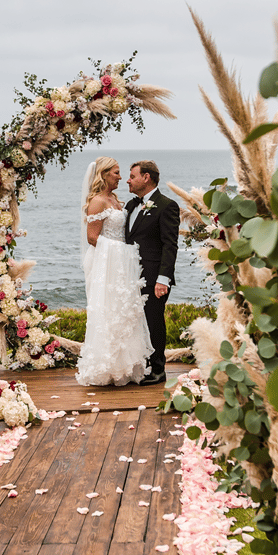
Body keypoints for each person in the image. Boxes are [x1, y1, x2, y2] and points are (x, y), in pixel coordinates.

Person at [76, 157, 153, 386]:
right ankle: (105, 367)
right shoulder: (98, 201)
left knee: (124, 311)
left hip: (121, 264)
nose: (121, 177)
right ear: (104, 174)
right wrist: (121, 250)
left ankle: (124, 367)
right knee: (107, 310)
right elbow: (92, 238)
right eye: (117, 173)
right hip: (107, 265)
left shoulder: (115, 200)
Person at [125, 160, 180, 386]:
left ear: (146, 178)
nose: (128, 180)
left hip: (154, 277)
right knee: (137, 323)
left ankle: (158, 370)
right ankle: (142, 365)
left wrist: (163, 280)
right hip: (130, 276)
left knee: (153, 322)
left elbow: (170, 245)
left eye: (132, 176)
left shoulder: (167, 205)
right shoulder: (130, 205)